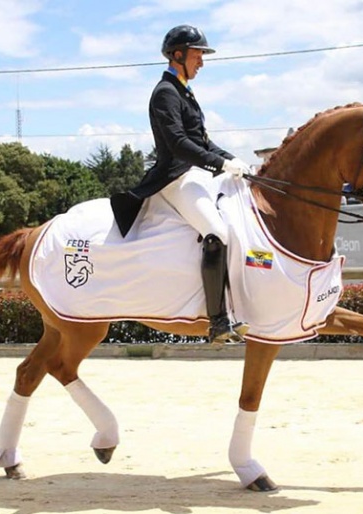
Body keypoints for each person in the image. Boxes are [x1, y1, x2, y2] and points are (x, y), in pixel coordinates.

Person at [110, 24, 250, 344]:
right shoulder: (165, 93)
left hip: (197, 173)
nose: (202, 60)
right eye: (197, 54)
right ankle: (216, 321)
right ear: (178, 55)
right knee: (217, 233)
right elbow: (177, 144)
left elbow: (203, 141)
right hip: (175, 177)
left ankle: (237, 307)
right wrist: (220, 164)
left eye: (201, 54)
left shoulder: (184, 90)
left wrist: (233, 161)